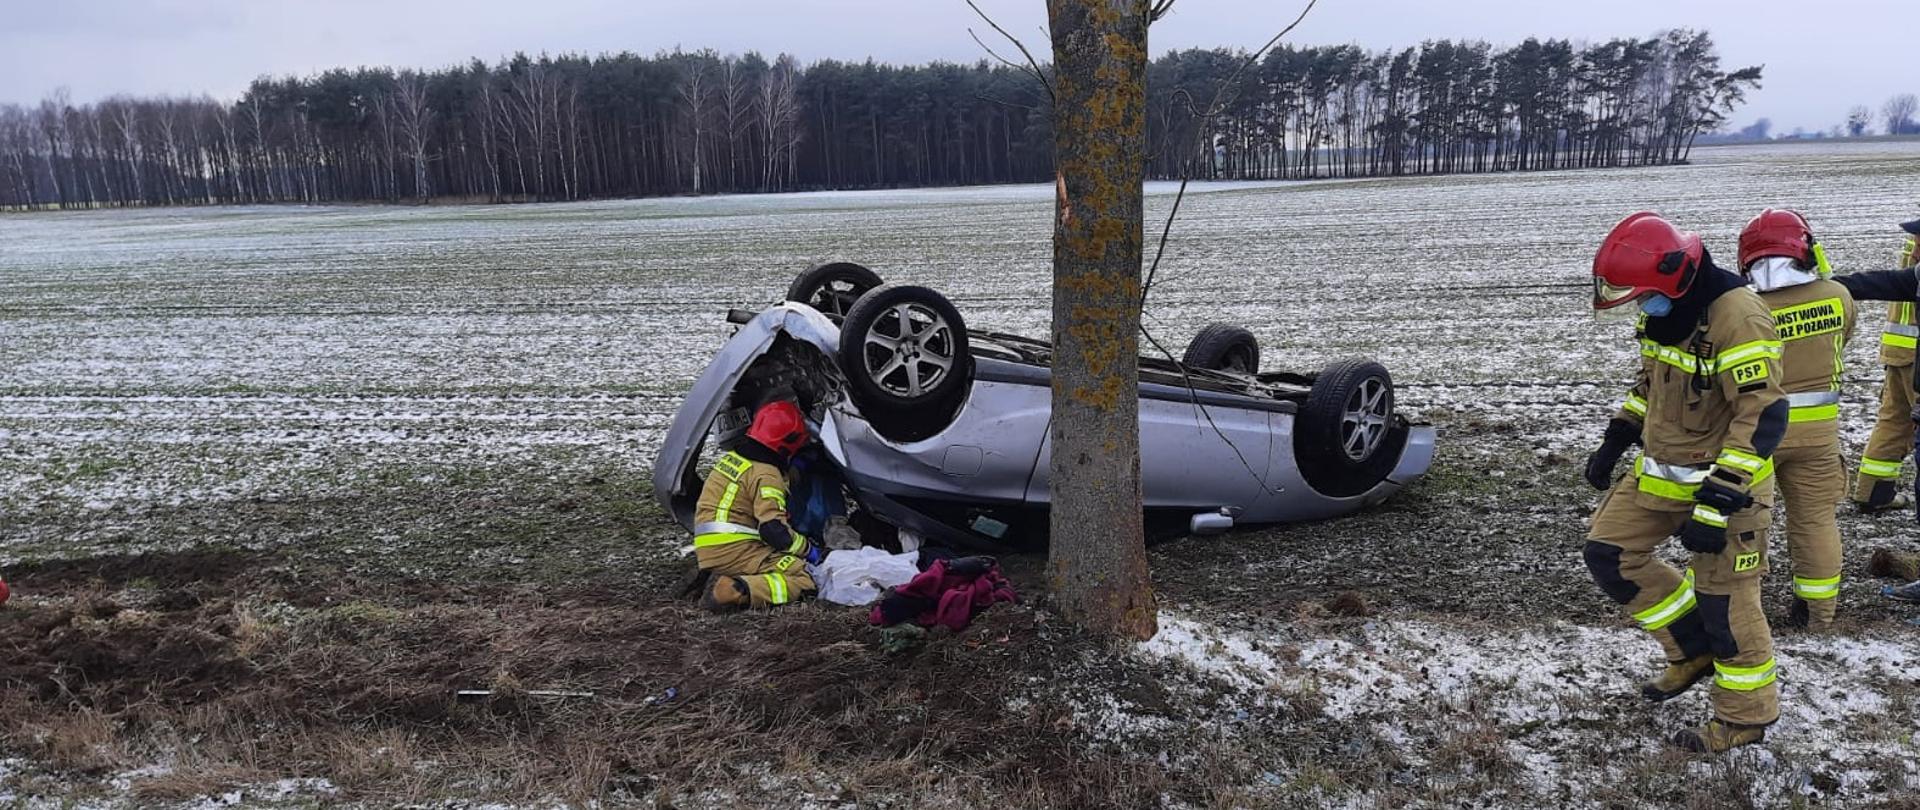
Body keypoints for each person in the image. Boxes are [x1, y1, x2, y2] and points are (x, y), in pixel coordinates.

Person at [1583, 211, 1787, 753]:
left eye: (1641, 294)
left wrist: (1719, 500)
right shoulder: (1667, 313)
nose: (1636, 304)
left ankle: (1745, 718)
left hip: (1728, 489)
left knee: (1727, 603)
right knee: (1609, 553)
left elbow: (1761, 414)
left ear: (1673, 278)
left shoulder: (1738, 317)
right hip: (1661, 472)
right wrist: (1618, 434)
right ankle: (1690, 649)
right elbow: (1654, 379)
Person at [1733, 209, 1855, 631]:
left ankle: (1742, 612)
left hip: (1755, 434)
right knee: (1816, 522)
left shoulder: (1741, 307)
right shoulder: (1837, 295)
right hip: (1819, 436)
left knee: (1747, 524)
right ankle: (1818, 615)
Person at [691, 399, 825, 611]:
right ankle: (736, 590)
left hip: (712, 546)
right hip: (735, 549)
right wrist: (810, 551)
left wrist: (796, 469)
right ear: (789, 442)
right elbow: (774, 531)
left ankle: (724, 572)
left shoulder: (735, 458)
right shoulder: (767, 474)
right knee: (806, 576)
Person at [1848, 218, 1920, 513]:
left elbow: (1888, 281)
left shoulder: (1913, 239)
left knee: (1893, 421)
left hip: (1896, 346)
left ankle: (1873, 492)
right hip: (1915, 350)